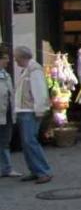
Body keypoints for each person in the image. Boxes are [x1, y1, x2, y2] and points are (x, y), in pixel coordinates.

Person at [12, 46, 53, 184]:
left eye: (16, 57)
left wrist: (39, 110)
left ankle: (43, 171)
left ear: (21, 57)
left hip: (30, 111)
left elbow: (40, 91)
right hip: (25, 110)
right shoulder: (27, 70)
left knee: (30, 141)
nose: (15, 59)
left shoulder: (34, 70)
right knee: (27, 143)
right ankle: (35, 170)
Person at [0, 47, 20, 179]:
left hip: (6, 113)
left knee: (5, 141)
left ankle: (6, 168)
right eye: (5, 58)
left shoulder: (6, 75)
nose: (8, 61)